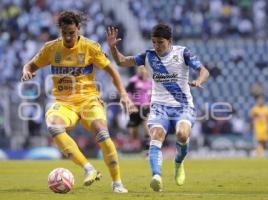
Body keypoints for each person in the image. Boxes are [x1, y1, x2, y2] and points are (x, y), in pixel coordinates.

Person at [21, 11, 135, 193]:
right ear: (60, 30)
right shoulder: (51, 48)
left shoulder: (90, 47)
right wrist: (26, 71)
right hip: (64, 102)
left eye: (71, 33)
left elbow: (111, 71)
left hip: (88, 99)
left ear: (78, 29)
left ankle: (117, 182)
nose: (67, 37)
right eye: (64, 33)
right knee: (53, 126)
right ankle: (88, 168)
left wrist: (123, 94)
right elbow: (30, 65)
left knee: (102, 133)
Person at [106, 23, 209, 192]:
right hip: (159, 106)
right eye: (153, 42)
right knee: (156, 136)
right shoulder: (148, 56)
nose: (156, 46)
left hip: (182, 106)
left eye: (160, 42)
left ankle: (178, 162)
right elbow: (122, 61)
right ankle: (156, 176)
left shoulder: (183, 53)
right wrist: (113, 48)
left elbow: (204, 70)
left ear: (170, 41)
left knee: (182, 135)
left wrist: (199, 81)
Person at [126, 66, 152, 151]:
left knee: (146, 124)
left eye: (144, 70)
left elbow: (151, 95)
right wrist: (129, 105)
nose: (142, 71)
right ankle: (137, 144)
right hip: (135, 107)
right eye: (140, 70)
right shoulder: (133, 81)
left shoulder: (149, 82)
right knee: (134, 131)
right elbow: (128, 93)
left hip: (145, 106)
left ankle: (148, 146)